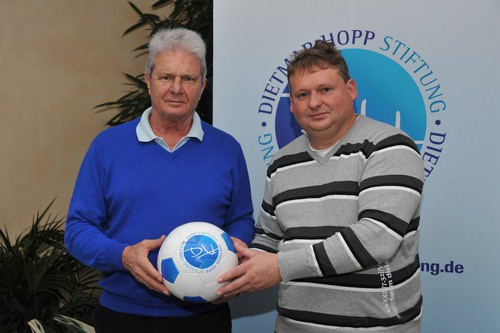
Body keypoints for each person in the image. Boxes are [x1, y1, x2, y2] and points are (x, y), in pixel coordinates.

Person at [217, 40, 425, 332]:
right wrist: (238, 266)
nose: (314, 103)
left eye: (325, 89)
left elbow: (376, 238)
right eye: (302, 94)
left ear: (350, 90)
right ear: (291, 105)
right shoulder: (281, 163)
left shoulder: (390, 147)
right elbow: (270, 238)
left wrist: (279, 267)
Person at [65, 27, 255, 333]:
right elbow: (77, 230)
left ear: (203, 85)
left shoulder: (227, 149)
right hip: (123, 316)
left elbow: (242, 218)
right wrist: (123, 256)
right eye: (166, 77)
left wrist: (231, 249)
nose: (177, 88)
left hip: (206, 318)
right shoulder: (107, 147)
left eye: (188, 79)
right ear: (148, 80)